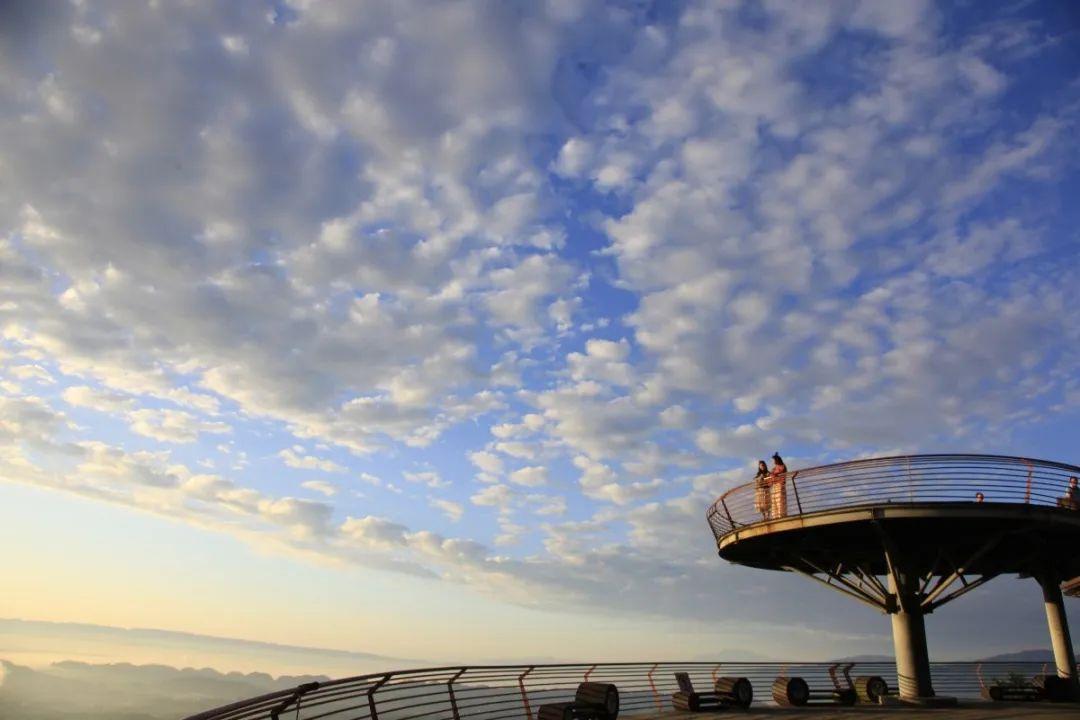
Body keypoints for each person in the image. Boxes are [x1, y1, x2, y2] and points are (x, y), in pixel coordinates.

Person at [770, 452, 788, 518]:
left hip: (780, 485)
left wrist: (774, 474)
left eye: (774, 460)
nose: (774, 461)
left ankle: (781, 516)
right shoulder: (774, 468)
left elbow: (782, 472)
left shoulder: (782, 466)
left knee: (780, 501)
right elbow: (771, 475)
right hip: (774, 486)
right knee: (774, 502)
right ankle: (775, 517)